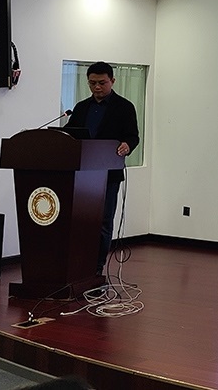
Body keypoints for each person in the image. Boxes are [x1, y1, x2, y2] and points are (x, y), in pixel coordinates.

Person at [64, 62, 139, 274]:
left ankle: (97, 267)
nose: (97, 87)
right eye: (92, 83)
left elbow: (133, 136)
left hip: (109, 174)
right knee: (81, 221)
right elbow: (70, 134)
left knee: (103, 222)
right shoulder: (81, 107)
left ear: (112, 81)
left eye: (102, 83)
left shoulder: (124, 107)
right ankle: (78, 263)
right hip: (81, 175)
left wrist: (127, 145)